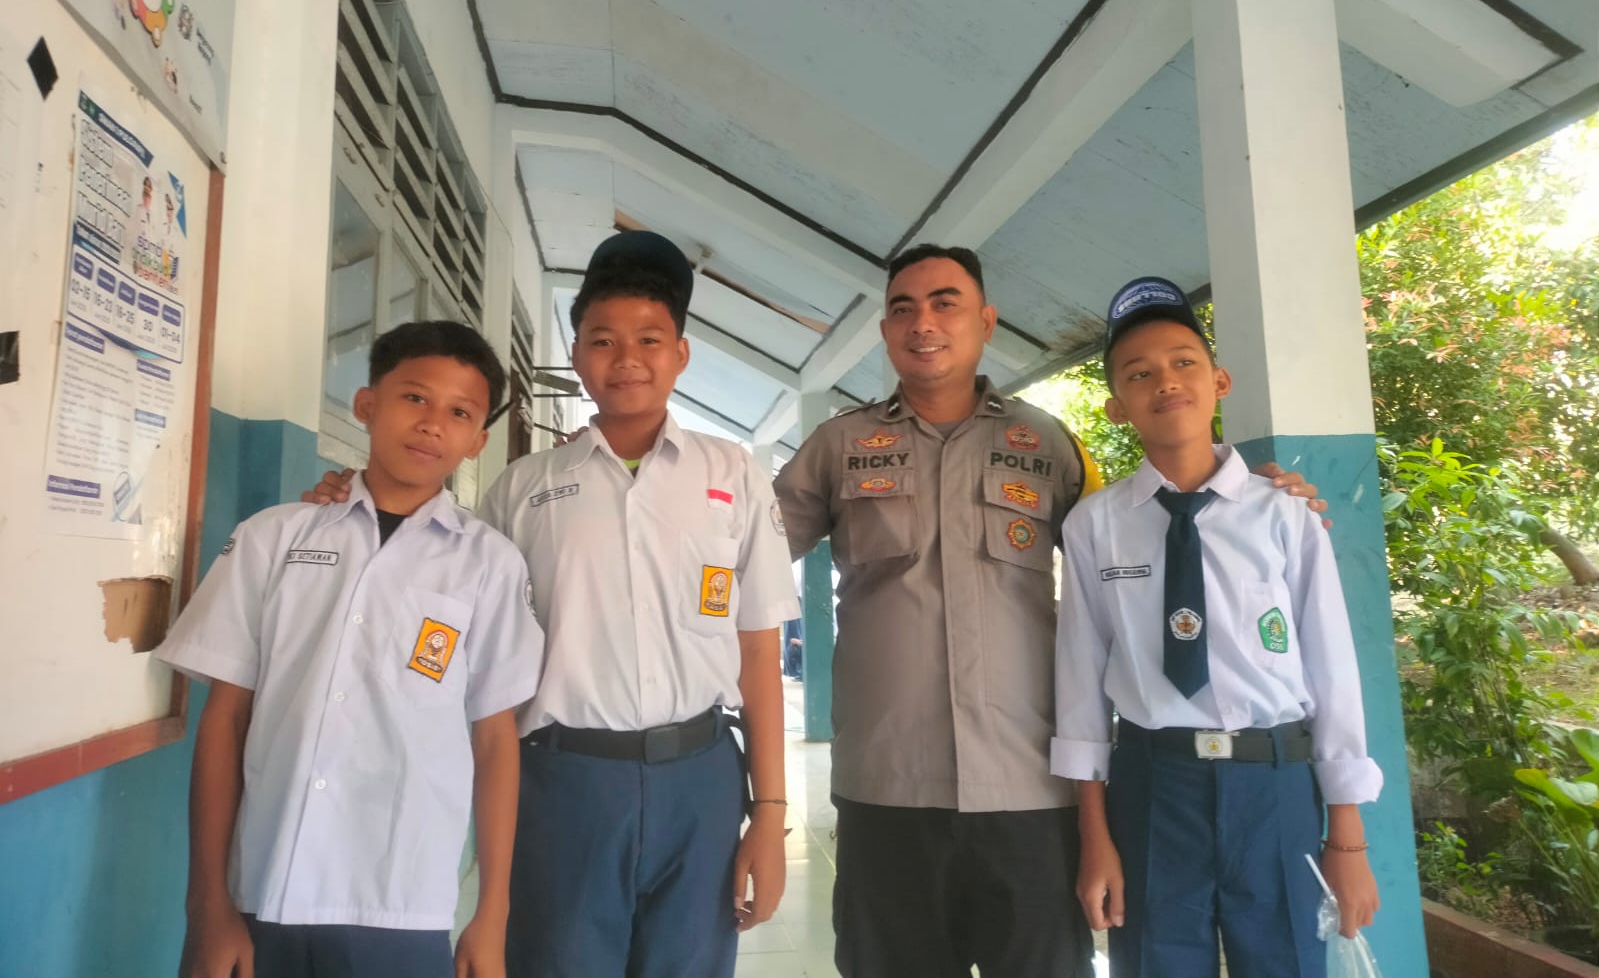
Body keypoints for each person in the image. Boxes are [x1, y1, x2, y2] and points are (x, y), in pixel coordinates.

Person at [774, 244, 1328, 978]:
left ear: (986, 321)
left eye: (945, 303)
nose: (923, 323)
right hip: (887, 785)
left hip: (1031, 788)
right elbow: (744, 558)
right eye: (902, 309)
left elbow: (1142, 537)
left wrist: (1251, 501)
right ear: (885, 331)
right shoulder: (838, 446)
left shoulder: (1048, 444)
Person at [306, 231, 798, 978]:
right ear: (576, 356)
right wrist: (352, 501)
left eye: (649, 339)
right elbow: (446, 588)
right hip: (564, 782)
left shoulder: (731, 474)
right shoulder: (523, 490)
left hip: (700, 778)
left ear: (680, 354)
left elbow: (758, 650)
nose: (626, 358)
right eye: (602, 340)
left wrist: (768, 812)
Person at [155, 320, 545, 978]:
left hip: (401, 897)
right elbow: (225, 717)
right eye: (414, 397)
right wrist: (209, 904)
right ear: (366, 405)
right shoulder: (274, 538)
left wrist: (493, 913)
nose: (432, 424)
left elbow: (495, 741)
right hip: (266, 888)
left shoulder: (489, 565)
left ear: (478, 440)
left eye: (459, 413)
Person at [1053, 276, 1381, 977]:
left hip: (1275, 786)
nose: (1165, 382)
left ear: (1219, 381)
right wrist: (1094, 834)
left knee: (1287, 962)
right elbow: (1078, 682)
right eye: (1138, 373)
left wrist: (1347, 839)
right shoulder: (1094, 526)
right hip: (1153, 789)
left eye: (1183, 362)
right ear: (1115, 407)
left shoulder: (1284, 513)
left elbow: (1331, 669)